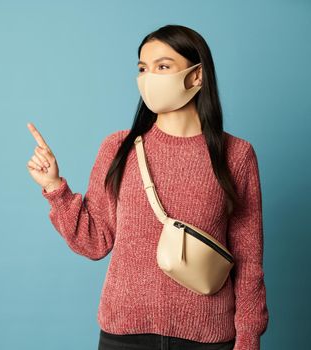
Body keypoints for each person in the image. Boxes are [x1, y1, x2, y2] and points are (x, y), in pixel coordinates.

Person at [26, 24, 268, 350]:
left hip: (208, 338)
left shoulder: (236, 156)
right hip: (124, 335)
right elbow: (95, 242)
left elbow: (249, 261)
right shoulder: (118, 147)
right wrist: (55, 188)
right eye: (142, 68)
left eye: (162, 66)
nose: (148, 77)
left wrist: (249, 339)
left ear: (197, 77)